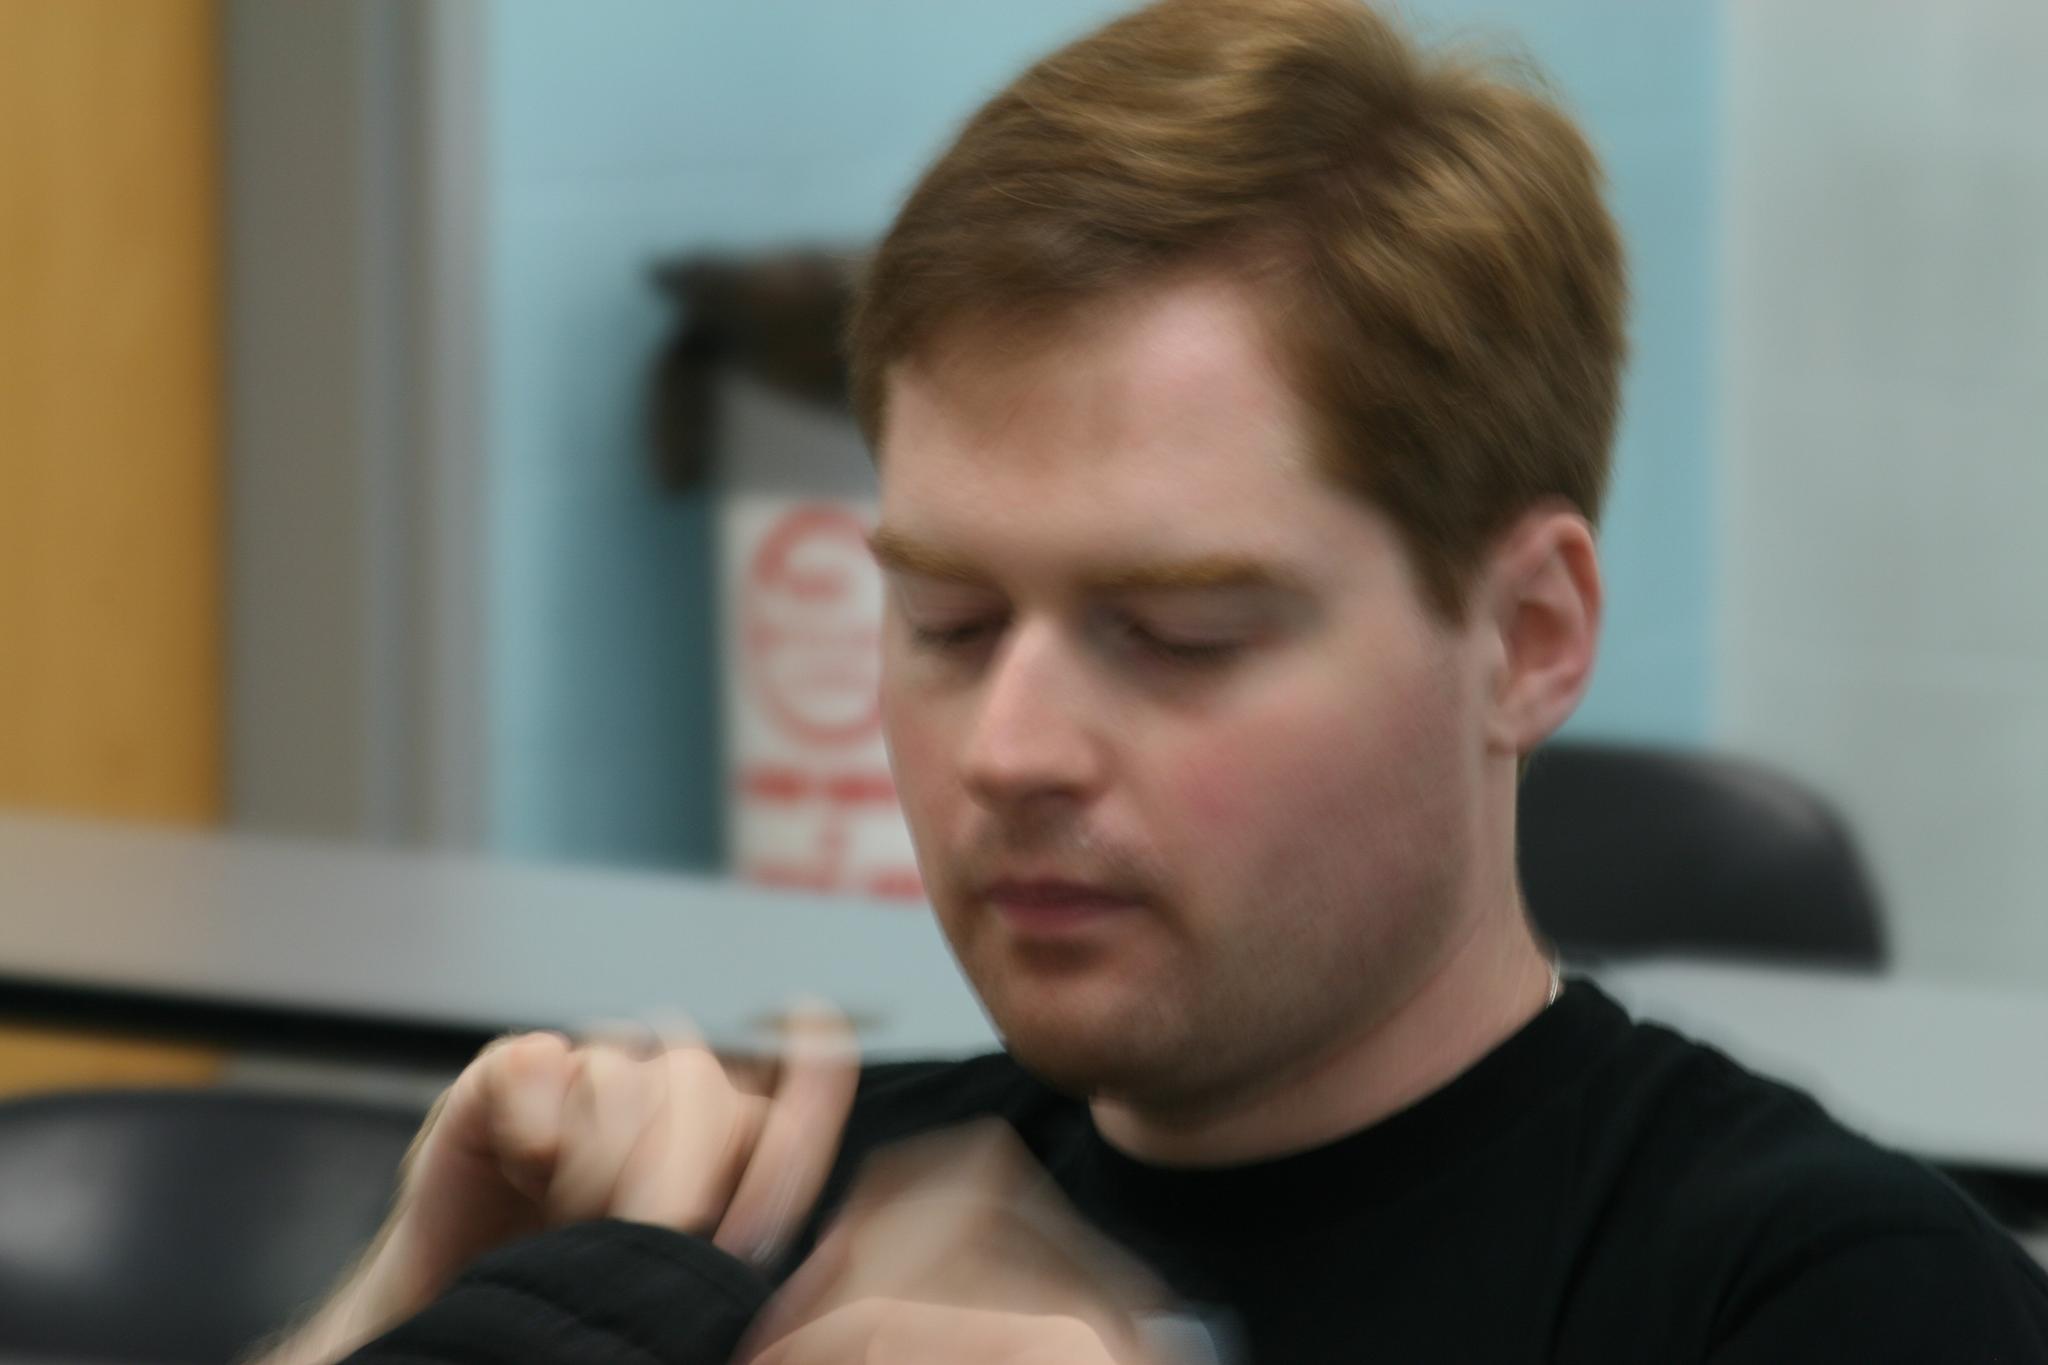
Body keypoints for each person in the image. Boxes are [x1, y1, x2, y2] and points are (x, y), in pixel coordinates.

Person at [263, 1, 2048, 1361]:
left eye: (1182, 635)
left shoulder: (1818, 1295)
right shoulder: (801, 1213)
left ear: (1526, 638)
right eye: (948, 625)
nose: (1011, 750)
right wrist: (411, 1302)